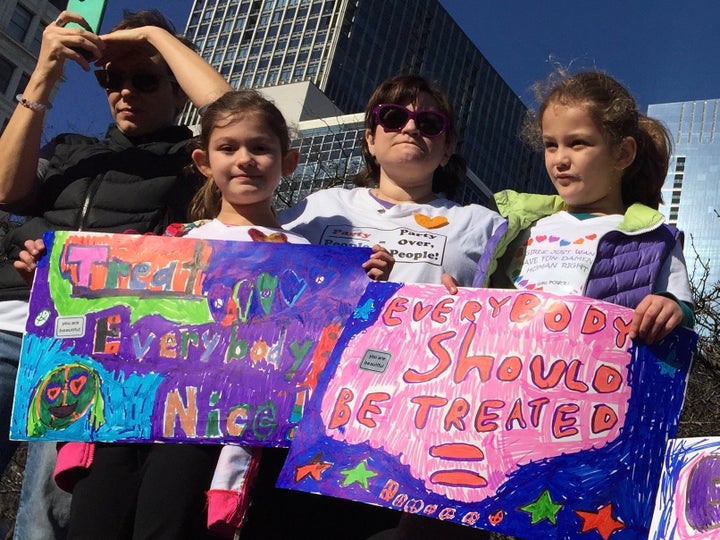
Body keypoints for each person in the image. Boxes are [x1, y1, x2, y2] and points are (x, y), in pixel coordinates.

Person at [15, 89, 393, 539]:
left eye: (260, 148)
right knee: (94, 524)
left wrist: (368, 289)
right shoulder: (166, 244)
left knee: (167, 527)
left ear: (287, 162)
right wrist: (52, 277)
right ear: (203, 161)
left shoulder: (311, 262)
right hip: (119, 427)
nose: (245, 159)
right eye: (228, 148)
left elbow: (331, 357)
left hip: (206, 435)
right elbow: (98, 314)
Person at [0, 8, 232, 540]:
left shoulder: (193, 166)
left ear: (177, 92)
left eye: (144, 79)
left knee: (46, 514)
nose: (125, 91)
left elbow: (236, 114)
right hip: (13, 321)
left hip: (92, 344)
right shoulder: (67, 150)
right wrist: (45, 69)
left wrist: (153, 35)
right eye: (112, 78)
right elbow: (6, 192)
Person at [250, 74, 505, 540]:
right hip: (307, 418)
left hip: (413, 429)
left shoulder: (481, 223)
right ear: (369, 137)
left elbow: (525, 310)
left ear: (447, 149)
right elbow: (267, 275)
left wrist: (474, 312)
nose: (410, 128)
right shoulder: (318, 208)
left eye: (429, 122)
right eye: (392, 117)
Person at [475, 70, 694, 344]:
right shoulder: (515, 226)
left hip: (594, 379)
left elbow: (682, 311)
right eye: (550, 145)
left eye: (578, 143)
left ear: (623, 153)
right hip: (504, 373)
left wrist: (670, 308)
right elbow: (483, 297)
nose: (560, 159)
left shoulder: (654, 239)